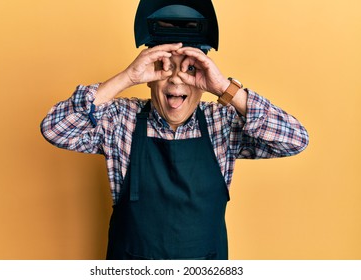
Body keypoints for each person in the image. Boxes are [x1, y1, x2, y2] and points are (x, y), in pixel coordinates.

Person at [41, 2, 309, 260]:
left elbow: (295, 139)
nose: (177, 78)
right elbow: (55, 129)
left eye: (191, 68)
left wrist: (225, 89)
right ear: (148, 78)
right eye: (164, 66)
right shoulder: (120, 120)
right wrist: (126, 78)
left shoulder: (223, 123)